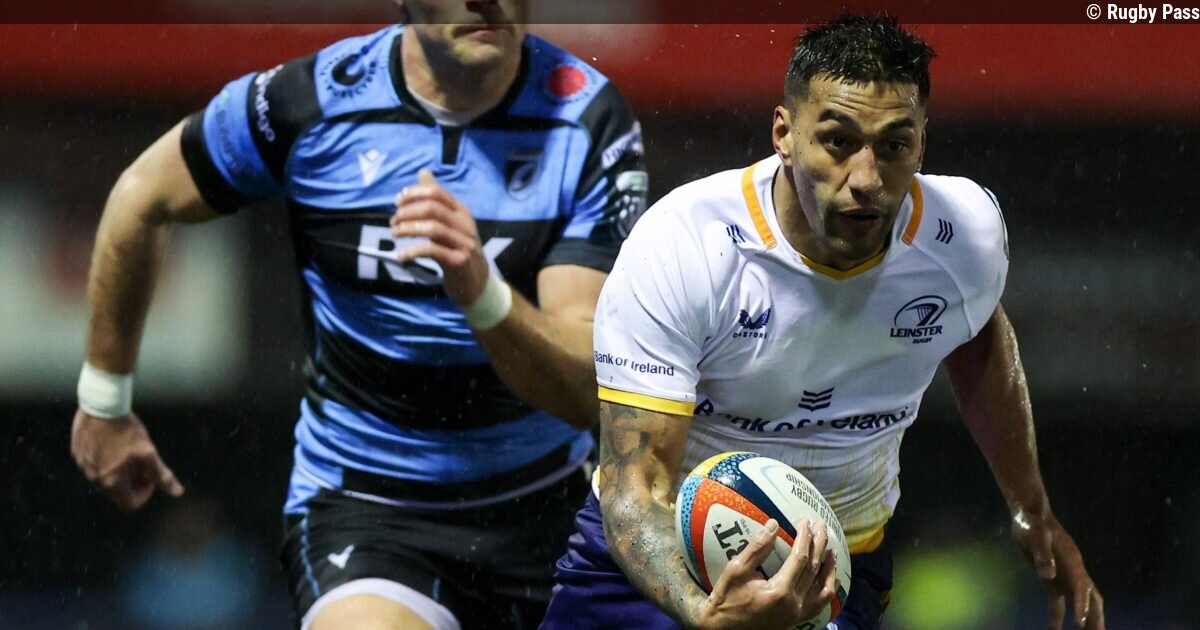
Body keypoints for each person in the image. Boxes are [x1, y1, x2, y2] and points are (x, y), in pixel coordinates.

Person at [68, 2, 647, 628]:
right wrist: (104, 399)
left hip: (548, 508)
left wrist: (484, 295)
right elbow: (142, 196)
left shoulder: (588, 116)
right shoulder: (308, 100)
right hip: (368, 508)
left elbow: (586, 390)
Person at [543, 13, 1105, 630]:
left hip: (834, 569)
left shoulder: (964, 238)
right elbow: (636, 490)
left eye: (894, 146)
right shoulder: (684, 246)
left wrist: (1030, 508)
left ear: (922, 145)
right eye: (837, 141)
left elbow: (977, 335)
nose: (866, 180)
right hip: (659, 557)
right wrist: (707, 616)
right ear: (783, 134)